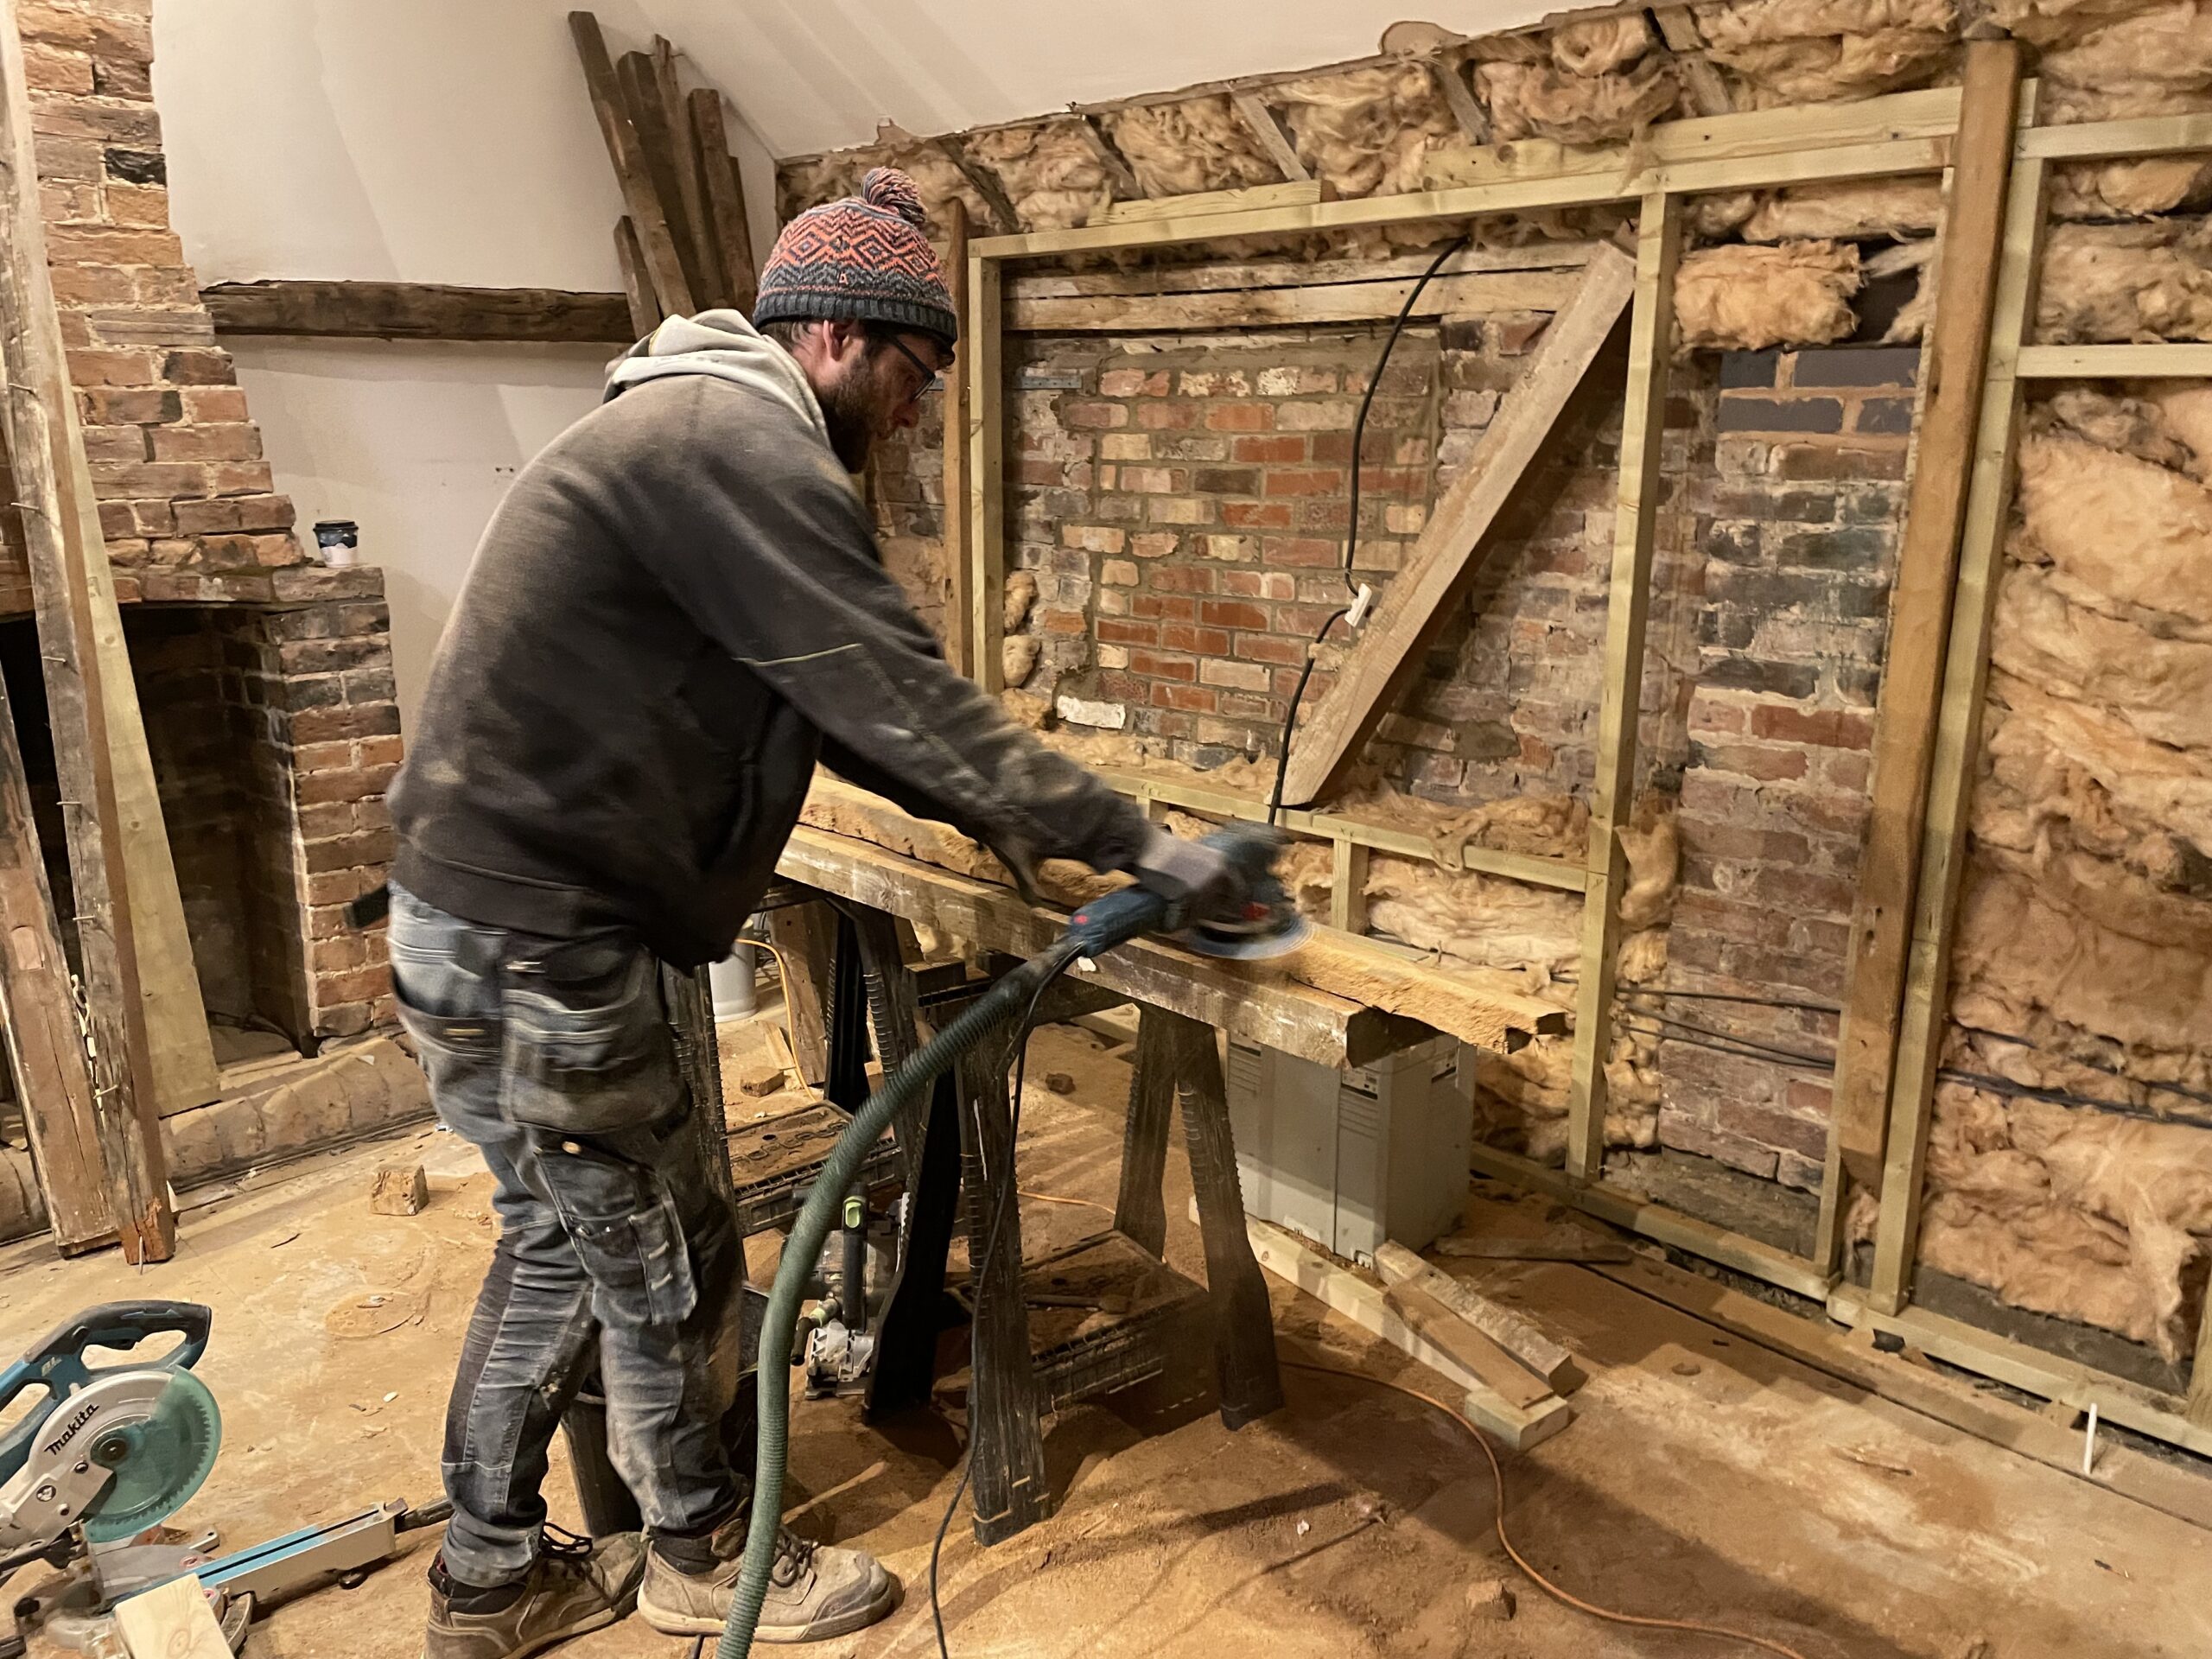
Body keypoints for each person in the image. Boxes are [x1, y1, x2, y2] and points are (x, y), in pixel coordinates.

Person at [389, 168, 1244, 1658]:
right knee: (666, 1253)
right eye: (915, 378)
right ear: (842, 338)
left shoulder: (678, 427)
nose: (915, 418)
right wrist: (1137, 845)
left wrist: (1010, 818)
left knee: (559, 1244)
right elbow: (893, 688)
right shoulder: (738, 444)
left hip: (470, 918)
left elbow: (841, 711)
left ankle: (488, 1576)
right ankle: (703, 1559)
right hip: (546, 938)